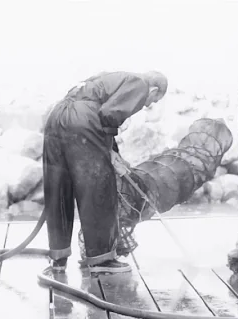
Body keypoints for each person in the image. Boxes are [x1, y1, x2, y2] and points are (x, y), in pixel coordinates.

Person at [42, 71, 168, 274]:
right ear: (154, 90)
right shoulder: (140, 84)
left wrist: (112, 151)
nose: (148, 104)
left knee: (58, 187)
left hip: (57, 117)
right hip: (83, 120)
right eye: (153, 100)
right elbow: (110, 115)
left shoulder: (110, 77)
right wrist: (109, 153)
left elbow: (101, 115)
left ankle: (58, 258)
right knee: (97, 187)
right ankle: (101, 261)